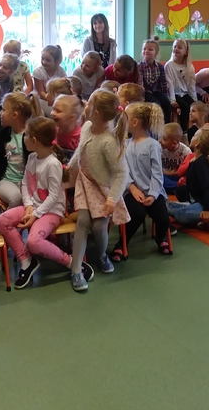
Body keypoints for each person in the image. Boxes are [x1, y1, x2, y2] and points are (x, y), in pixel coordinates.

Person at [0, 117, 93, 290]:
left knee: (33, 242)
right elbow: (25, 184)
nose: (24, 138)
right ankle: (27, 261)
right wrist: (28, 205)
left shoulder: (53, 163)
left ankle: (71, 262)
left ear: (34, 140)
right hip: (33, 207)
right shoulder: (32, 157)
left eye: (26, 135)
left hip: (51, 212)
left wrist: (35, 214)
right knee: (2, 220)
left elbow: (54, 196)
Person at [71, 90, 129, 290]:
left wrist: (112, 199)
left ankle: (102, 255)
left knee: (98, 227)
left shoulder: (108, 142)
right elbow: (80, 150)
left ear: (96, 113)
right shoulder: (87, 127)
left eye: (89, 104)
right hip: (84, 181)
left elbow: (122, 173)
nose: (85, 105)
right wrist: (70, 167)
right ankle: (76, 270)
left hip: (102, 189)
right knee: (83, 221)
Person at [121, 102, 172, 256]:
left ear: (135, 122)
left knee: (163, 217)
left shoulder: (153, 145)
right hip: (132, 192)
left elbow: (157, 173)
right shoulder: (124, 145)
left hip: (153, 192)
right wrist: (131, 187)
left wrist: (153, 195)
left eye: (126, 117)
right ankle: (122, 244)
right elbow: (123, 171)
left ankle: (161, 237)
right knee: (136, 214)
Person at [169, 128, 209, 237]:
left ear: (197, 143)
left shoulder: (201, 162)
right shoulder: (195, 160)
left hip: (205, 204)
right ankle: (205, 223)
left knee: (180, 215)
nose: (191, 137)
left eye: (194, 136)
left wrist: (207, 210)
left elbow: (208, 187)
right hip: (195, 201)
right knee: (166, 206)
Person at [0, 93, 37, 211]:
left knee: (34, 199)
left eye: (3, 110)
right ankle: (7, 220)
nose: (0, 113)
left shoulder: (31, 135)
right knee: (16, 198)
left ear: (15, 115)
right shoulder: (4, 134)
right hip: (7, 181)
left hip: (28, 181)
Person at [138, 37, 173, 123]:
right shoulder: (140, 66)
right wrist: (141, 99)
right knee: (156, 104)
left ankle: (167, 125)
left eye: (150, 49)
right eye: (144, 49)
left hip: (156, 91)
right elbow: (140, 85)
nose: (146, 51)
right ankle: (156, 126)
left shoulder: (159, 66)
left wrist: (166, 97)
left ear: (156, 53)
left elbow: (163, 84)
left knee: (166, 103)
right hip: (145, 93)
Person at [165, 38, 196, 130]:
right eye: (175, 47)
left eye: (179, 47)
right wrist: (172, 100)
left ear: (185, 52)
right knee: (185, 107)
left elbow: (191, 85)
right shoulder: (169, 65)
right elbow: (169, 84)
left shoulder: (189, 67)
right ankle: (184, 130)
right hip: (174, 93)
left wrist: (195, 100)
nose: (176, 49)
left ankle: (194, 129)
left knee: (194, 106)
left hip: (184, 93)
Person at [32, 45, 67, 115]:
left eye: (48, 60)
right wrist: (49, 99)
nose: (44, 62)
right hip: (40, 99)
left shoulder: (61, 71)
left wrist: (57, 100)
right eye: (42, 58)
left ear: (57, 61)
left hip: (56, 99)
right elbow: (41, 92)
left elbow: (64, 89)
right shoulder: (38, 71)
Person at [160, 122, 191, 193]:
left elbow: (188, 171)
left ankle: (175, 188)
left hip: (178, 177)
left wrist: (174, 174)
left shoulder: (185, 151)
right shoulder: (159, 148)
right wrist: (167, 173)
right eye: (160, 137)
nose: (160, 141)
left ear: (174, 143)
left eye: (164, 139)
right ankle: (176, 188)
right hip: (164, 176)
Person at [51, 94, 83, 160]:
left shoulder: (81, 136)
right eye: (53, 109)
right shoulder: (52, 131)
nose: (52, 113)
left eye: (58, 111)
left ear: (72, 117)